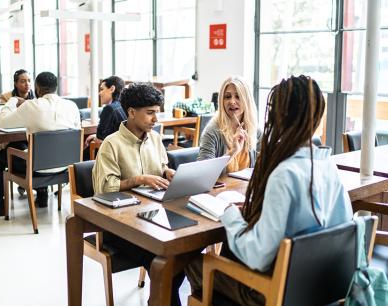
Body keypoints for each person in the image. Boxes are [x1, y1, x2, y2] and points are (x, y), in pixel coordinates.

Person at [183, 75, 353, 305]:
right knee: (232, 250)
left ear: (279, 116)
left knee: (193, 262)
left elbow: (258, 256)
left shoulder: (284, 174)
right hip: (318, 291)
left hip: (271, 294)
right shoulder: (327, 166)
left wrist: (229, 213)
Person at [92, 83, 183, 306]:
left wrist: (167, 171)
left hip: (152, 215)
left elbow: (161, 165)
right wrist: (138, 179)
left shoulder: (154, 137)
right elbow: (104, 188)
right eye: (150, 113)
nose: (156, 119)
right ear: (131, 112)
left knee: (180, 255)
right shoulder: (111, 144)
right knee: (167, 261)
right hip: (121, 224)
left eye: (157, 112)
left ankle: (158, 300)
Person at [0, 71, 81, 216]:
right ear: (56, 87)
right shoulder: (72, 106)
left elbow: (3, 122)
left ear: (37, 88)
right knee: (22, 147)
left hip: (36, 168)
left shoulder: (31, 106)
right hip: (65, 166)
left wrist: (13, 100)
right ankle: (42, 192)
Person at [198, 76, 258, 172]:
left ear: (247, 100)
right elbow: (202, 172)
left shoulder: (255, 130)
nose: (232, 101)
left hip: (245, 187)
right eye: (227, 97)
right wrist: (233, 151)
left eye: (238, 96)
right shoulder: (212, 132)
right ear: (222, 101)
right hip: (221, 187)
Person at [83, 76, 127, 159]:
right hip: (122, 152)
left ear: (112, 89)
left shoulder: (109, 109)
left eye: (102, 89)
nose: (100, 93)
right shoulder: (124, 106)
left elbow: (99, 139)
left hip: (110, 154)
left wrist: (95, 137)